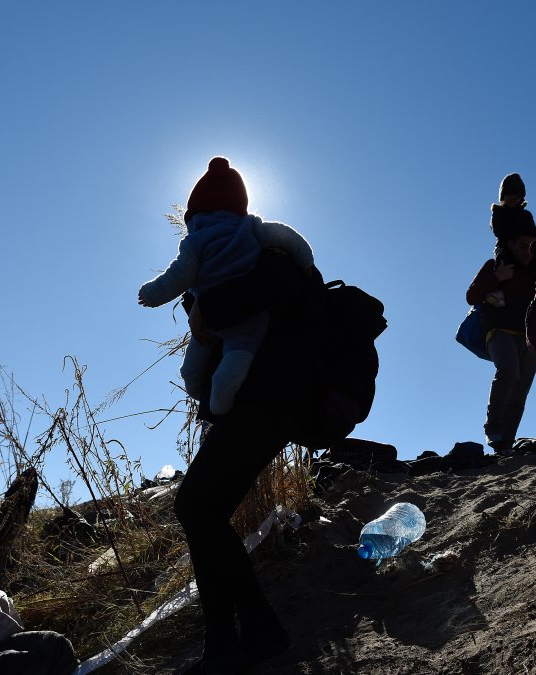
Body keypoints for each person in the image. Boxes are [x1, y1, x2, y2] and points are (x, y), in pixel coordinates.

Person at [151, 157, 316, 674]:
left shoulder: (268, 257)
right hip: (255, 405)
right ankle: (220, 638)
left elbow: (259, 300)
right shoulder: (249, 252)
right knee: (201, 509)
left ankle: (259, 631)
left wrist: (206, 312)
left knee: (197, 507)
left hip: (268, 401)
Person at [138, 157, 315, 416]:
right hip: (251, 320)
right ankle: (220, 400)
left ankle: (202, 396)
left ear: (194, 213)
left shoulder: (195, 242)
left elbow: (178, 276)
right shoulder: (250, 225)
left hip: (211, 321)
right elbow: (285, 235)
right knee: (238, 357)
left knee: (191, 369)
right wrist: (307, 262)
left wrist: (151, 294)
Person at [466, 217, 536, 454]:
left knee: (521, 390)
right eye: (522, 245)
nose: (527, 251)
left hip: (529, 337)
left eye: (532, 246)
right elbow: (471, 296)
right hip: (498, 331)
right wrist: (497, 278)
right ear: (510, 244)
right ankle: (493, 427)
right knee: (509, 371)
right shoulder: (495, 266)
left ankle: (505, 444)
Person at [485, 173, 536, 308]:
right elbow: (499, 231)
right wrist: (514, 235)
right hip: (505, 245)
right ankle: (499, 291)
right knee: (503, 260)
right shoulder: (498, 213)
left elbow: (532, 231)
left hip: (524, 245)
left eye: (516, 195)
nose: (513, 198)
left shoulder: (526, 215)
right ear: (503, 197)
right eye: (509, 194)